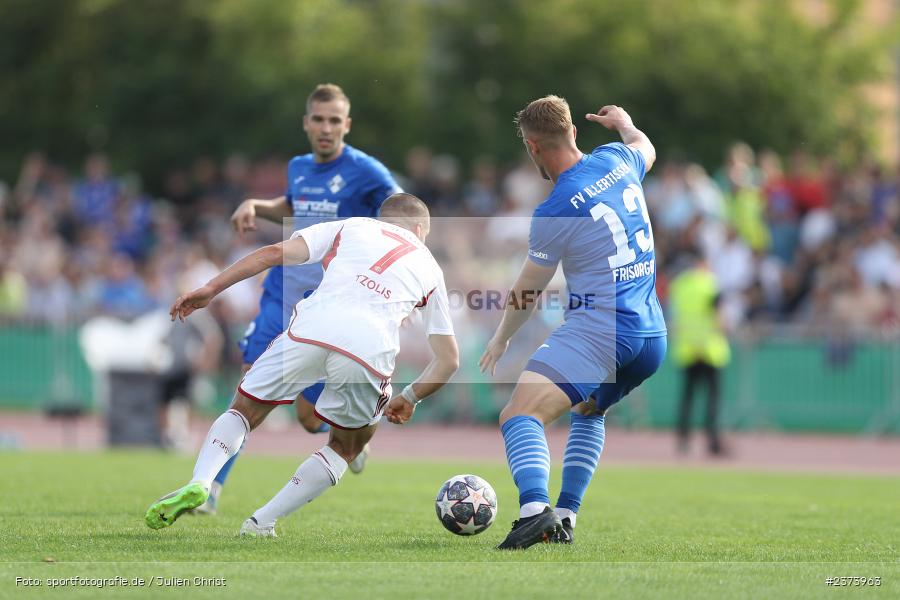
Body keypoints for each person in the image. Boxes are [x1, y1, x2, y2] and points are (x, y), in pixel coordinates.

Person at [145, 193, 458, 536]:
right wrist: (410, 397)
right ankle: (261, 521)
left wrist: (210, 288)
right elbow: (448, 360)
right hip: (368, 349)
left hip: (310, 328)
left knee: (243, 411)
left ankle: (202, 482)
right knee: (347, 446)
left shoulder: (351, 226)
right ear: (419, 228)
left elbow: (272, 254)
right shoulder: (430, 266)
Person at [199, 83, 402, 514]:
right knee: (251, 383)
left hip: (327, 305)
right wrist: (257, 203)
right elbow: (293, 205)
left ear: (346, 125)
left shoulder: (367, 171)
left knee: (309, 419)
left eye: (334, 121)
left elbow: (405, 216)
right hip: (282, 292)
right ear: (306, 123)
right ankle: (210, 488)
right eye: (319, 120)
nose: (326, 128)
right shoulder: (298, 167)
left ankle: (354, 436)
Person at [479, 97, 666, 549]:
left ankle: (534, 512)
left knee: (520, 413)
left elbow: (528, 289)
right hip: (651, 335)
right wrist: (624, 122)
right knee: (589, 409)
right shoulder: (618, 158)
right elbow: (646, 146)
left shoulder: (555, 208)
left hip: (602, 330)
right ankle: (564, 518)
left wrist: (502, 337)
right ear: (575, 133)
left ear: (532, 147)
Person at [670, 251, 731, 455]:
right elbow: (719, 315)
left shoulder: (679, 285)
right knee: (712, 400)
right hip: (710, 350)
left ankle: (683, 440)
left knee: (687, 398)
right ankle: (713, 441)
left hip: (687, 349)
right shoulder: (710, 283)